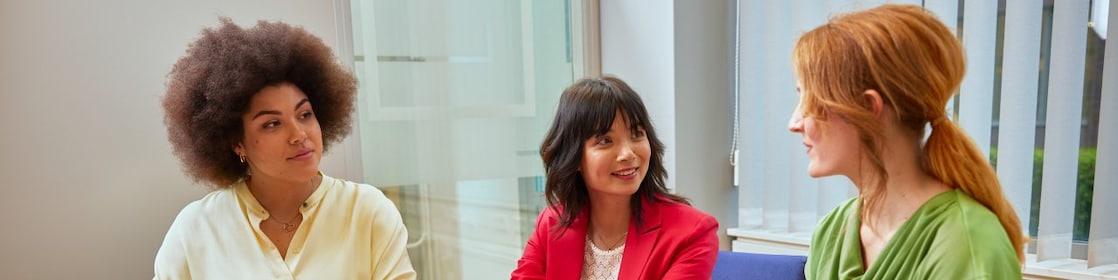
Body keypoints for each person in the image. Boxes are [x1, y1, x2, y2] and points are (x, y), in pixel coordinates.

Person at [153, 18, 415, 279]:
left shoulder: (367, 212)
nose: (299, 135)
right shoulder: (195, 229)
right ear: (236, 142)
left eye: (304, 114)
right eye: (272, 124)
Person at [788, 4, 1025, 279]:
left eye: (810, 101)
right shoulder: (832, 232)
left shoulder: (967, 245)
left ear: (868, 107)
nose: (794, 123)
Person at [511, 76, 720, 280]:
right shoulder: (552, 223)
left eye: (637, 134)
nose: (628, 154)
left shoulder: (691, 232)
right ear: (573, 156)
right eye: (605, 140)